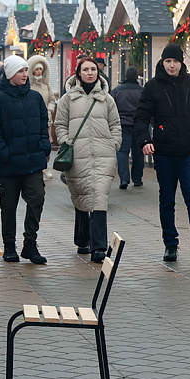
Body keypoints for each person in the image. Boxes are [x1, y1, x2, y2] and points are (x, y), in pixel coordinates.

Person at [134, 43, 190, 265]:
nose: (172, 65)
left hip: (189, 151)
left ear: (182, 63)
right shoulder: (152, 87)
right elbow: (141, 116)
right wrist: (145, 140)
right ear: (163, 62)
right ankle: (170, 244)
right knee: (167, 199)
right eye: (168, 61)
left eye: (176, 61)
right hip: (165, 153)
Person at [0, 55, 50, 264]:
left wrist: (44, 147)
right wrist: (6, 153)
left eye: (25, 70)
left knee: (37, 199)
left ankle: (30, 243)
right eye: (20, 71)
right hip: (8, 166)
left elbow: (43, 125)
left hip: (33, 163)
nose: (24, 74)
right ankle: (9, 247)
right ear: (11, 74)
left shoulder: (35, 97)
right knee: (9, 206)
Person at [55, 57, 122, 263]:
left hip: (104, 156)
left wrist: (114, 144)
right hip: (78, 155)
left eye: (93, 69)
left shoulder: (107, 99)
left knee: (98, 197)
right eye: (86, 69)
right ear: (78, 73)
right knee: (83, 196)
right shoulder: (67, 99)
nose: (90, 73)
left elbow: (116, 125)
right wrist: (67, 142)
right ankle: (82, 240)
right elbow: (60, 124)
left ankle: (99, 248)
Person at [110, 66, 145, 189]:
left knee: (122, 152)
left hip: (122, 125)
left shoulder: (116, 91)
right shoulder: (143, 91)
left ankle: (124, 179)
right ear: (136, 76)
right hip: (139, 125)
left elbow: (111, 109)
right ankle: (137, 178)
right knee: (138, 153)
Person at [27, 56, 56, 180]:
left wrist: (49, 110)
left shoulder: (46, 85)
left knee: (47, 143)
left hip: (46, 119)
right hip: (33, 119)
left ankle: (45, 166)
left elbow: (51, 100)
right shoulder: (29, 85)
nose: (39, 72)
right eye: (36, 69)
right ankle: (38, 167)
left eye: (41, 69)